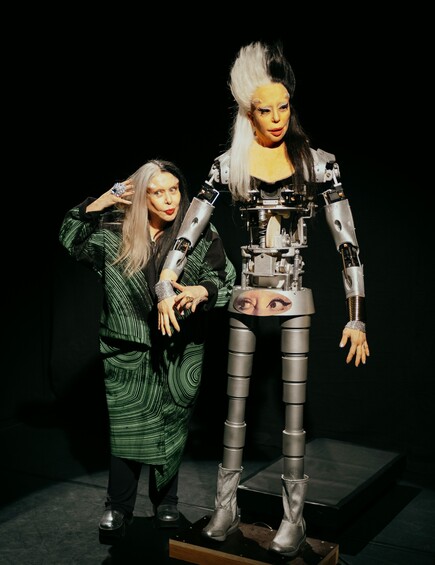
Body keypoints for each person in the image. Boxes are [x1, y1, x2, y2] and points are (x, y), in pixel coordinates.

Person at [168, 40, 368, 558]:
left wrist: (357, 317)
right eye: (265, 110)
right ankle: (225, 508)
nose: (277, 118)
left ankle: (292, 519)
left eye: (284, 107)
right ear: (247, 112)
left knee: (293, 414)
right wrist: (167, 277)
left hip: (293, 296)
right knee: (234, 410)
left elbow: (346, 241)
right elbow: (192, 223)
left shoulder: (318, 165)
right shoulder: (227, 166)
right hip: (245, 296)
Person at [58, 158, 236, 543]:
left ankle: (166, 503)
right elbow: (69, 237)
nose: (169, 200)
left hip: (180, 348)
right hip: (126, 346)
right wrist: (105, 199)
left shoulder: (197, 230)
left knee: (171, 425)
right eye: (156, 192)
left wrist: (201, 291)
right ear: (141, 196)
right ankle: (118, 506)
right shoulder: (115, 231)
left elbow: (225, 278)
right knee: (128, 427)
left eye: (173, 190)